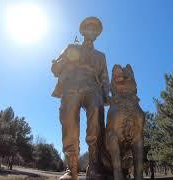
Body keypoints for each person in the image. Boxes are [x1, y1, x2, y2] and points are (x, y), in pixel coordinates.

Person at [51, 17, 110, 180]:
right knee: (68, 118)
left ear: (97, 35)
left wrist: (107, 94)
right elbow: (56, 68)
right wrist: (59, 63)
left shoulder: (101, 56)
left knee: (96, 116)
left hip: (93, 87)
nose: (91, 31)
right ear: (83, 31)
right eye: (89, 28)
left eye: (94, 30)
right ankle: (72, 169)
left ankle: (95, 165)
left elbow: (105, 78)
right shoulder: (72, 47)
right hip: (72, 85)